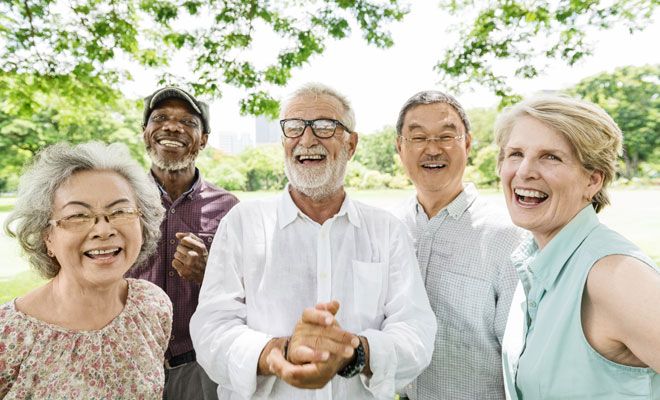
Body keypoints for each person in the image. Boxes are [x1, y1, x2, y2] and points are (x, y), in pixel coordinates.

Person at [190, 83, 437, 399]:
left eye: (325, 126)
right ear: (283, 141)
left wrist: (353, 352)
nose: (307, 139)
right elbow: (212, 329)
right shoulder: (242, 224)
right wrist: (278, 352)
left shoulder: (386, 230)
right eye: (294, 127)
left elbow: (416, 333)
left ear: (351, 144)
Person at [495, 95, 660, 399]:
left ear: (593, 180)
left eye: (551, 157)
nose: (525, 171)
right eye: (515, 154)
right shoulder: (536, 260)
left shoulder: (613, 275)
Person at [0, 142, 171, 399]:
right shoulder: (9, 335)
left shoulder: (152, 305)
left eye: (120, 211)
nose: (104, 230)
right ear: (47, 237)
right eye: (77, 216)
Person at [392, 90, 525, 400]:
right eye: (418, 137)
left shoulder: (506, 235)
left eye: (446, 136)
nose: (433, 149)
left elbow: (521, 356)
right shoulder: (390, 228)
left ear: (467, 143)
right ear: (399, 147)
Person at [126, 86, 239, 399]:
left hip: (199, 365)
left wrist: (208, 272)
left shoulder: (230, 207)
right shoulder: (119, 200)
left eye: (188, 122)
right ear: (145, 133)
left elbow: (249, 293)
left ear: (203, 139)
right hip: (128, 360)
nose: (172, 127)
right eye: (160, 118)